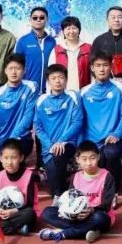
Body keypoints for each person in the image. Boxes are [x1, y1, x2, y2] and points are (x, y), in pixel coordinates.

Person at [39, 141, 117, 243]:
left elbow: (106, 205)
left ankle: (62, 233)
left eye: (92, 158)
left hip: (96, 214)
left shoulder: (107, 176)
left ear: (98, 157)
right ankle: (87, 230)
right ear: (77, 160)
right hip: (76, 216)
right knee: (47, 212)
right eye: (84, 159)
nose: (89, 163)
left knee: (100, 218)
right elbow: (69, 198)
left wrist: (91, 210)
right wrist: (67, 211)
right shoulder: (75, 176)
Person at [34, 64, 85, 200]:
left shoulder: (73, 97)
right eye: (53, 78)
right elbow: (38, 127)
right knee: (53, 183)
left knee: (58, 156)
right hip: (49, 148)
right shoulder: (41, 101)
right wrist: (50, 145)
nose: (57, 81)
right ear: (48, 81)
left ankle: (59, 197)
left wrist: (62, 140)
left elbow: (77, 122)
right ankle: (65, 183)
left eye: (61, 77)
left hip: (68, 143)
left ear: (66, 80)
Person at [80, 52, 122, 184]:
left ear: (111, 67)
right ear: (92, 68)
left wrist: (116, 133)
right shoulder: (84, 92)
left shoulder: (120, 87)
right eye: (98, 65)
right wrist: (81, 143)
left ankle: (114, 188)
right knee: (95, 164)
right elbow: (80, 119)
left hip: (113, 138)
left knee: (111, 153)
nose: (102, 69)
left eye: (105, 65)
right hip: (92, 140)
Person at [0, 53, 37, 164]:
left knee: (15, 159)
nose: (14, 72)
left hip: (21, 139)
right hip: (1, 143)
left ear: (24, 70)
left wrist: (11, 141)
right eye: (10, 68)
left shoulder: (31, 87)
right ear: (5, 70)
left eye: (17, 68)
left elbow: (28, 117)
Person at [90, 6, 122, 91]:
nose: (116, 20)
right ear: (107, 20)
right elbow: (91, 63)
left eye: (120, 17)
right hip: (105, 86)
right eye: (113, 17)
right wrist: (106, 79)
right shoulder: (99, 40)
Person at [15, 6, 55, 90]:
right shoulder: (23, 41)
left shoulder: (52, 42)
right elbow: (17, 66)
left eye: (42, 17)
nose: (38, 20)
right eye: (35, 18)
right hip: (28, 90)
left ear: (47, 20)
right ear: (30, 20)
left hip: (48, 90)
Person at [50, 16, 92, 90]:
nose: (71, 31)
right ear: (63, 31)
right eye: (68, 29)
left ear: (79, 30)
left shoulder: (88, 49)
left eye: (74, 28)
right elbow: (50, 74)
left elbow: (94, 73)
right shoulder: (56, 50)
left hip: (84, 92)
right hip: (63, 93)